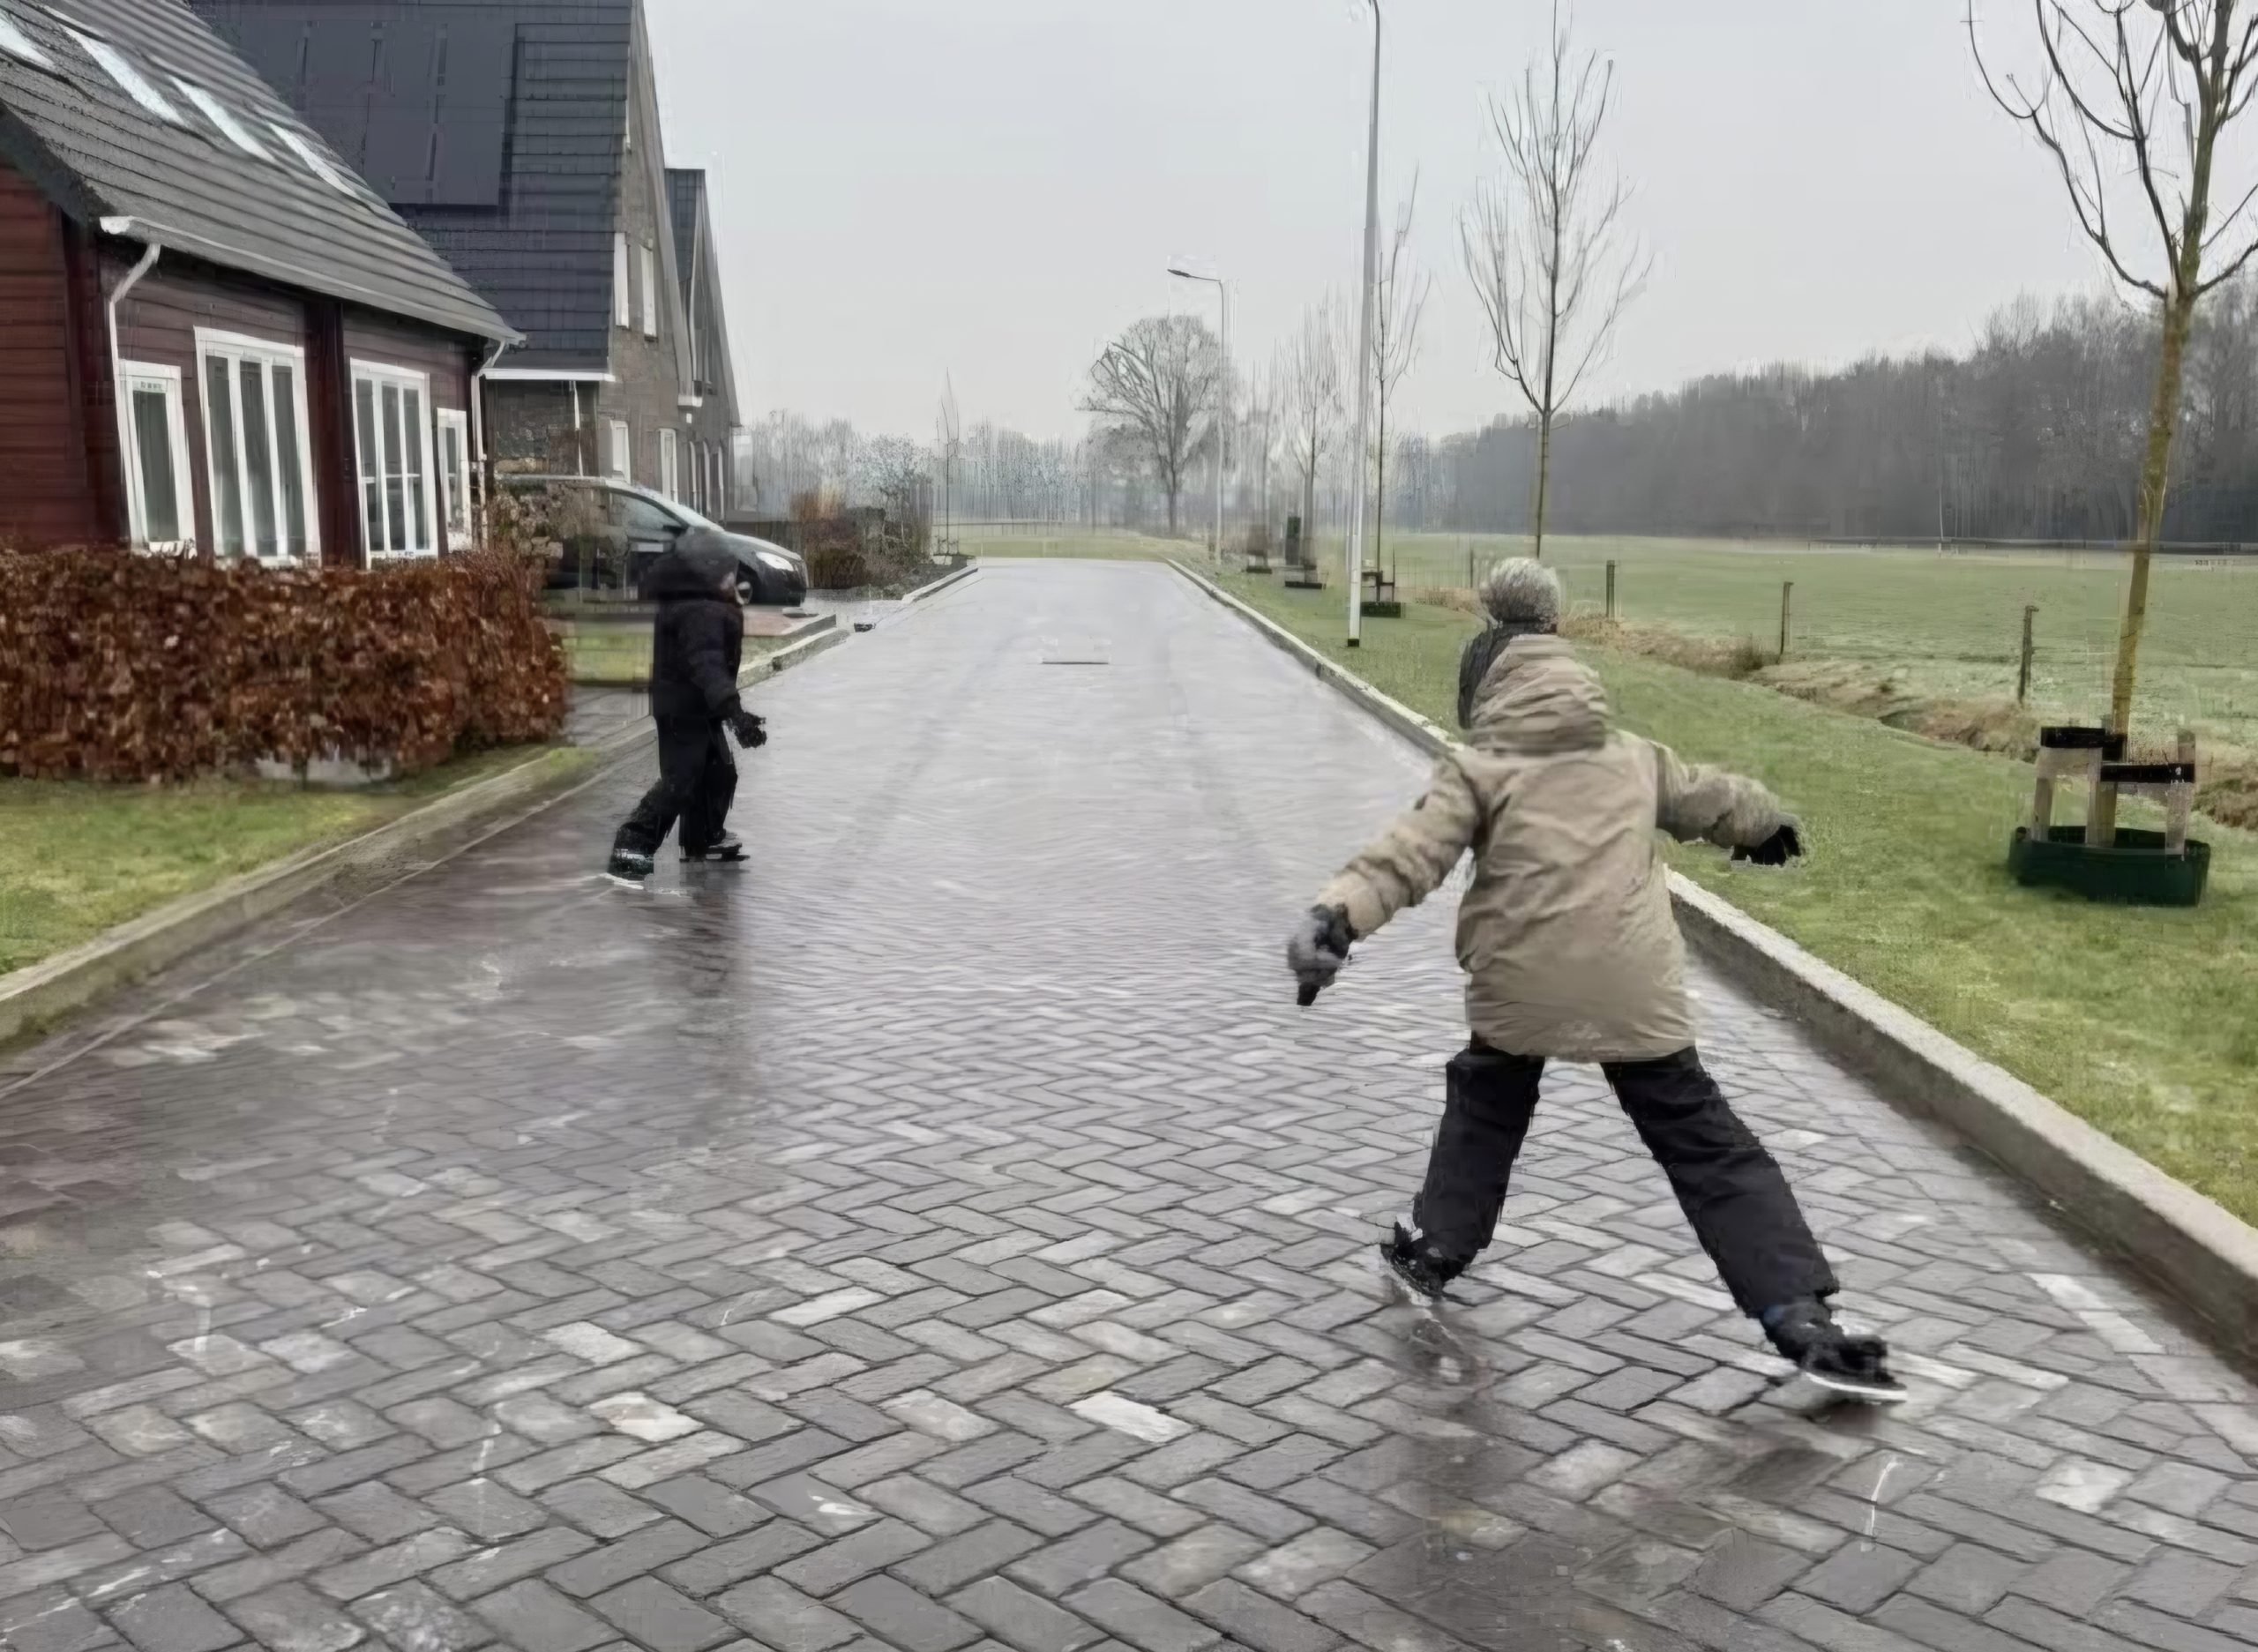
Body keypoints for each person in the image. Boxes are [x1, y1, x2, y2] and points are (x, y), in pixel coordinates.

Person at [1287, 558, 1902, 1402]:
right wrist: (1764, 825)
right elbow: (1711, 796)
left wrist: (1335, 919)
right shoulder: (1633, 757)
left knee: (1487, 1104)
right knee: (1706, 1142)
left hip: (1522, 985)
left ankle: (1434, 1247)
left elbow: (1408, 856)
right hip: (1631, 985)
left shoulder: (1480, 767)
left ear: (1486, 679)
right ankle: (1799, 1314)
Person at [606, 533, 768, 884]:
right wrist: (736, 714)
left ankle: (703, 839)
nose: (734, 579)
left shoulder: (702, 601)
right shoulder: (700, 610)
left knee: (720, 773)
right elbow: (708, 666)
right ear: (708, 573)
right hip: (682, 709)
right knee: (680, 783)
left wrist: (729, 711)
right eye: (728, 573)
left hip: (700, 706)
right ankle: (630, 848)